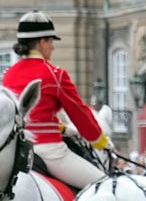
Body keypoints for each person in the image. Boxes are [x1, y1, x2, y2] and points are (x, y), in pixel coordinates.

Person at [2, 10, 111, 188]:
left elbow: (31, 115)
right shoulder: (55, 75)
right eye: (51, 41)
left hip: (19, 151)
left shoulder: (8, 75)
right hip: (49, 151)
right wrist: (100, 141)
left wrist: (62, 128)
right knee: (104, 185)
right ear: (42, 42)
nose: (53, 47)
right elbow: (80, 113)